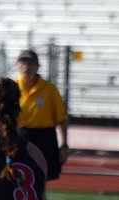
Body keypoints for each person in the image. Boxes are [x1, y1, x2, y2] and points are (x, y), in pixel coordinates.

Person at [16, 49, 69, 181]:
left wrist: (64, 145)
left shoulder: (49, 89)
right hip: (21, 136)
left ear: (37, 66)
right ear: (17, 65)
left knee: (42, 176)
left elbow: (61, 119)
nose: (26, 67)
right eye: (23, 63)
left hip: (44, 137)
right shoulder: (13, 87)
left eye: (30, 63)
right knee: (20, 175)